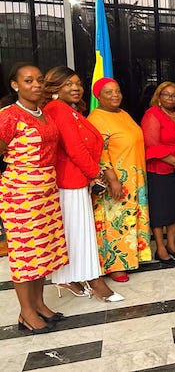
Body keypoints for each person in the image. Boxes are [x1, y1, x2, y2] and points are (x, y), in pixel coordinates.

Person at [43, 66, 124, 302]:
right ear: (55, 87)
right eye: (68, 84)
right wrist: (96, 174)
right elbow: (75, 148)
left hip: (76, 178)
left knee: (75, 233)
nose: (76, 88)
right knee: (78, 233)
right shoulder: (57, 108)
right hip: (69, 181)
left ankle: (69, 277)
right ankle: (93, 281)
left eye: (78, 83)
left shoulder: (70, 109)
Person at [0, 62, 68, 334]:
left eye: (39, 80)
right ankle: (26, 312)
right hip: (21, 194)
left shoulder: (44, 113)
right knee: (25, 252)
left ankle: (39, 304)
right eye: (28, 81)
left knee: (43, 249)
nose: (36, 85)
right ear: (15, 85)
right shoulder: (9, 116)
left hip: (47, 189)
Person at [88, 78, 152, 282]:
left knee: (129, 220)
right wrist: (113, 180)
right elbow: (100, 152)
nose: (115, 95)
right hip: (116, 180)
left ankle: (131, 257)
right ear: (98, 97)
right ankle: (114, 265)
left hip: (134, 178)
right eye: (108, 92)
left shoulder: (122, 113)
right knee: (115, 221)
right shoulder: (97, 118)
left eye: (117, 91)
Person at [141, 82, 175, 262]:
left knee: (173, 209)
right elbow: (152, 144)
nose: (170, 98)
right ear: (158, 97)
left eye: (174, 95)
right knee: (159, 211)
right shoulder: (152, 115)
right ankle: (160, 248)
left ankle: (171, 244)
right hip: (159, 171)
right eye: (166, 95)